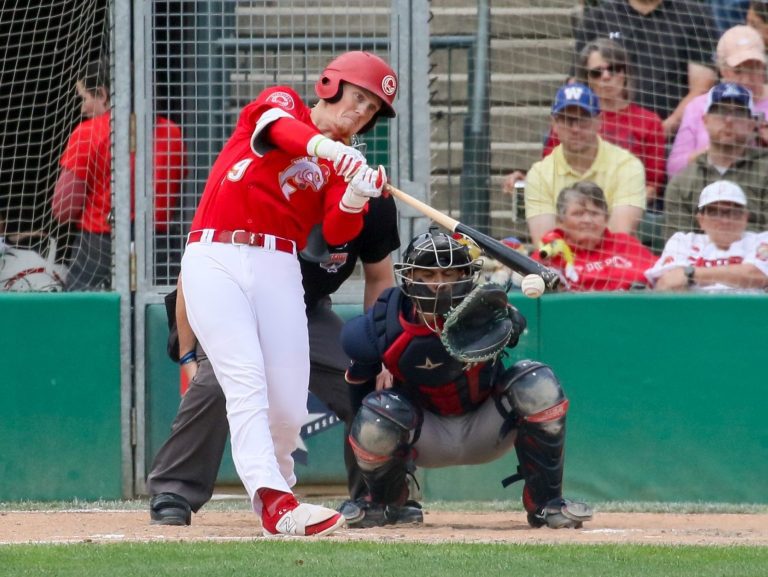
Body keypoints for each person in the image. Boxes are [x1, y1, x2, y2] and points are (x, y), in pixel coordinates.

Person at [177, 51, 398, 537]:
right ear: (329, 85)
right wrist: (330, 151)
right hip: (218, 253)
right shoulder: (283, 106)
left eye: (370, 110)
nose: (361, 112)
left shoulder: (343, 164)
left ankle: (279, 491)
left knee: (287, 403)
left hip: (280, 266)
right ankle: (276, 502)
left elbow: (338, 232)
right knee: (244, 376)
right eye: (357, 98)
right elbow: (281, 132)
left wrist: (357, 192)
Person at [147, 194, 401, 526]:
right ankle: (174, 489)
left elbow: (380, 279)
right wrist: (187, 355)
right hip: (233, 305)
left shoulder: (373, 202)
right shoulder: (277, 190)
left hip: (304, 314)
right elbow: (193, 272)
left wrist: (380, 351)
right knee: (214, 383)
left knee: (364, 379)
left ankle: (375, 497)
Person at [338, 230, 593, 530]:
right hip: (423, 433)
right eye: (427, 275)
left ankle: (546, 504)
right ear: (409, 278)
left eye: (448, 273)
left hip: (486, 426)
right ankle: (384, 503)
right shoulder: (384, 323)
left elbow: (514, 322)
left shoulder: (483, 309)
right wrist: (359, 491)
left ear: (465, 276)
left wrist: (505, 323)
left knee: (536, 381)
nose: (439, 284)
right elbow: (356, 408)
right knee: (375, 413)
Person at [51, 59, 186, 290]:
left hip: (98, 246)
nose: (82, 109)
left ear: (103, 95)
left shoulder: (88, 133)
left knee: (80, 312)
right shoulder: (172, 134)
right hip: (159, 245)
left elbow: (63, 208)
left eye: (84, 98)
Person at [510, 83, 646, 247]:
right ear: (554, 123)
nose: (575, 129)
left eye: (583, 119)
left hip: (614, 265)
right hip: (560, 266)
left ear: (599, 121)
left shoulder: (627, 166)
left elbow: (619, 236)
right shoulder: (539, 174)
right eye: (568, 120)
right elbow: (546, 244)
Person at [540, 38, 665, 203]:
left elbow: (652, 185)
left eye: (614, 69)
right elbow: (548, 171)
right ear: (587, 79)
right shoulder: (569, 119)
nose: (606, 77)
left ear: (625, 73)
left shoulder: (649, 122)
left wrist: (619, 209)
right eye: (596, 73)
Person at [574, 0, 718, 137]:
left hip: (674, 138)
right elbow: (578, 84)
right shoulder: (597, 18)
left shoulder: (694, 16)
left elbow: (701, 88)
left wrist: (660, 131)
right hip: (607, 137)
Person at [663, 82, 768, 238]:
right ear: (705, 120)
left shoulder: (765, 170)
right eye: (720, 111)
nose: (729, 120)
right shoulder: (682, 183)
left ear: (751, 124)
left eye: (738, 112)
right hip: (697, 262)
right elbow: (675, 248)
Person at [668, 25, 768, 177]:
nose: (747, 79)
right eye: (738, 71)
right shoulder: (698, 106)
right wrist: (718, 149)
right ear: (722, 70)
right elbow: (674, 169)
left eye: (754, 68)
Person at [533, 181, 657, 291]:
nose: (587, 220)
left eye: (595, 213)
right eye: (578, 213)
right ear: (561, 221)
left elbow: (661, 270)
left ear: (606, 219)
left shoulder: (626, 244)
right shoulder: (551, 251)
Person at [646, 180, 768, 290]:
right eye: (715, 212)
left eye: (733, 212)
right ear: (701, 220)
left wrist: (691, 274)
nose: (725, 220)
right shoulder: (682, 241)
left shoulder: (761, 241)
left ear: (745, 217)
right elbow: (667, 283)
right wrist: (734, 276)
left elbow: (757, 276)